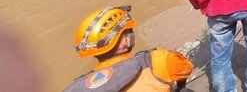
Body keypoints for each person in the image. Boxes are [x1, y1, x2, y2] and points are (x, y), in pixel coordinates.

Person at [65, 6, 193, 91]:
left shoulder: (75, 88)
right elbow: (187, 68)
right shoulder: (156, 61)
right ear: (125, 41)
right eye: (129, 31)